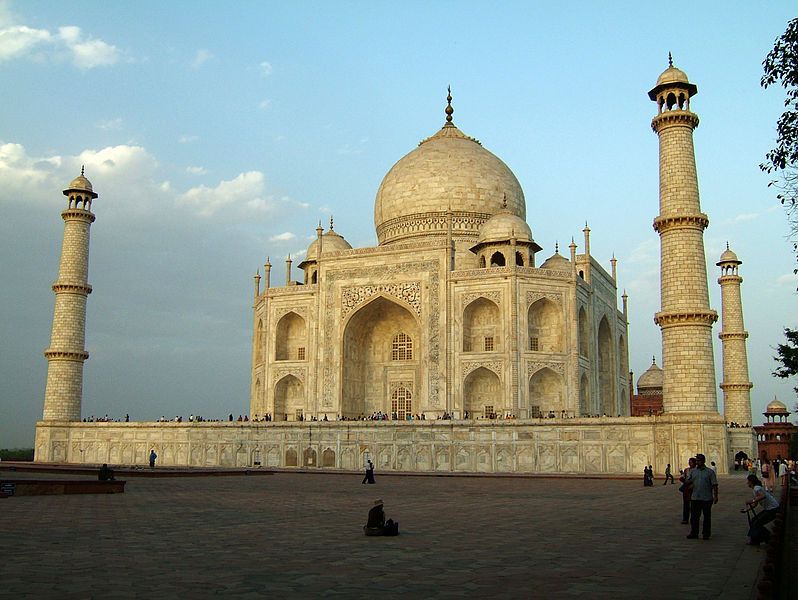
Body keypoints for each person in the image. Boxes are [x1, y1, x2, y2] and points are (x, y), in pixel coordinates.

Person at [685, 453, 718, 540]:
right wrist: (684, 482)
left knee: (707, 517)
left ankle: (706, 533)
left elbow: (714, 484)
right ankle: (694, 533)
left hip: (707, 498)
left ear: (703, 461)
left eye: (698, 460)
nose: (697, 462)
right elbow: (688, 481)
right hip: (695, 497)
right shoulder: (693, 471)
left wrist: (716, 496)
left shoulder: (710, 472)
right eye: (697, 460)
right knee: (694, 517)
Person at [744, 474, 780, 545]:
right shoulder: (756, 489)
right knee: (754, 520)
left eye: (748, 481)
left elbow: (762, 496)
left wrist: (752, 501)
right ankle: (756, 539)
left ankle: (768, 537)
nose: (747, 483)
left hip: (772, 509)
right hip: (770, 509)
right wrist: (746, 510)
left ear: (751, 482)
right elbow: (755, 504)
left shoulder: (757, 488)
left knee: (757, 523)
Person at [679, 457, 697, 524]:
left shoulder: (697, 470)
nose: (689, 463)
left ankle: (694, 518)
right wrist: (682, 479)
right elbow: (684, 477)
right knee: (686, 504)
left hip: (694, 489)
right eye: (689, 462)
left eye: (691, 462)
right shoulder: (686, 470)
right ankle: (685, 519)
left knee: (694, 505)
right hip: (687, 489)